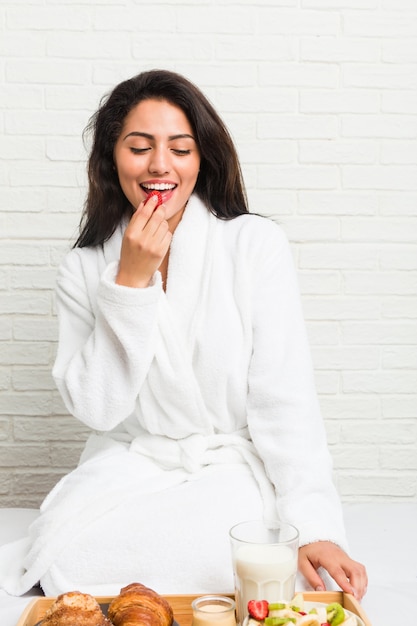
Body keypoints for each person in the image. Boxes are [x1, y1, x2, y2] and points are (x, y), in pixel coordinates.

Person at [0, 69, 367, 600]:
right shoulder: (83, 269)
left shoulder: (253, 245)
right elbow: (97, 410)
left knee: (224, 558)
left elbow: (284, 400)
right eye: (139, 147)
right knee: (70, 554)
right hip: (132, 464)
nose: (159, 166)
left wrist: (317, 528)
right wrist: (128, 282)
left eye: (180, 148)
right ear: (112, 159)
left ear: (202, 160)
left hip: (224, 469)